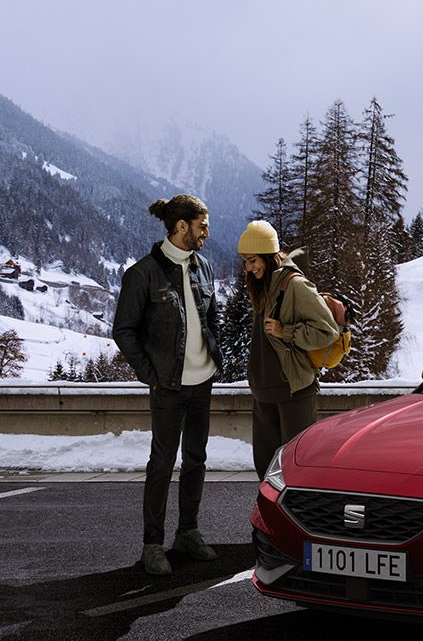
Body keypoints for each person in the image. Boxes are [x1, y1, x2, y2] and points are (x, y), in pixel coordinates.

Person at [113, 194, 223, 576]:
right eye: (202, 226)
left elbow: (211, 319)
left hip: (202, 382)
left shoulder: (203, 267)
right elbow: (123, 331)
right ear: (181, 227)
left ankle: (188, 533)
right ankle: (152, 544)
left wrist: (213, 357)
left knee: (196, 460)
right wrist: (151, 374)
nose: (207, 233)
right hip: (168, 387)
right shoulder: (142, 273)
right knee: (161, 464)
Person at [237, 220, 339, 480]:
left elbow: (327, 330)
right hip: (263, 392)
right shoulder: (263, 285)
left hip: (293, 391)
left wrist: (287, 331)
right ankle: (268, 519)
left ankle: (298, 520)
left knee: (297, 467)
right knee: (266, 469)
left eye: (253, 261)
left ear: (269, 256)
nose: (248, 269)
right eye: (246, 262)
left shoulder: (294, 285)